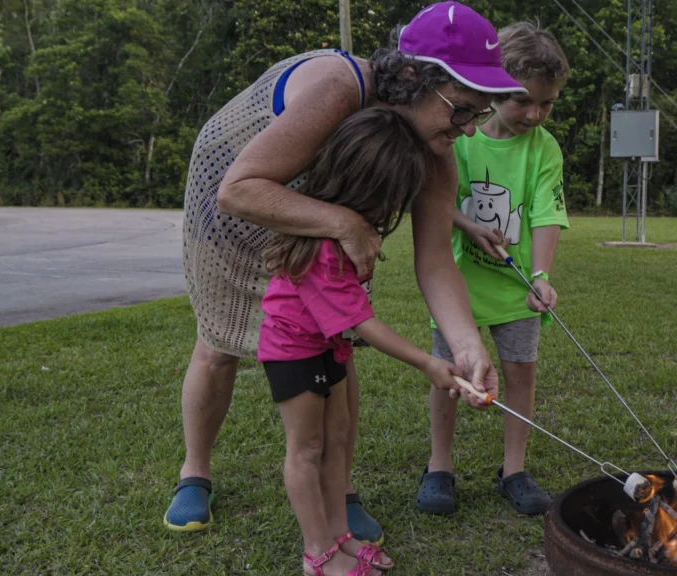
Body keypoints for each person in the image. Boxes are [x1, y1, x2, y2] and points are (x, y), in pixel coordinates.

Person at [166, 1, 526, 546]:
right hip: (236, 202)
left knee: (336, 340)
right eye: (462, 110)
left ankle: (339, 489)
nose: (470, 129)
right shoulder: (340, 86)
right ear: (412, 77)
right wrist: (343, 222)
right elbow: (239, 190)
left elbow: (434, 259)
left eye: (479, 114)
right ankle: (195, 472)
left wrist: (467, 346)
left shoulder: (436, 146)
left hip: (329, 223)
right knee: (219, 345)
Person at [260, 107, 462, 576]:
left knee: (337, 440)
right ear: (361, 187)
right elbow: (363, 321)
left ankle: (340, 536)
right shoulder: (321, 247)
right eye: (388, 201)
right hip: (293, 350)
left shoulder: (348, 231)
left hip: (329, 347)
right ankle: (317, 552)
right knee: (307, 449)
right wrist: (427, 363)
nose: (390, 214)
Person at [417, 22, 570, 517]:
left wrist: (541, 275)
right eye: (524, 100)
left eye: (547, 103)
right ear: (492, 89)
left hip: (516, 291)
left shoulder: (544, 149)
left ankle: (514, 469)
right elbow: (436, 203)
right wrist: (466, 225)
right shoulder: (460, 138)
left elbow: (547, 212)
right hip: (457, 287)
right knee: (451, 373)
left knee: (520, 375)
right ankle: (439, 465)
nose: (535, 113)